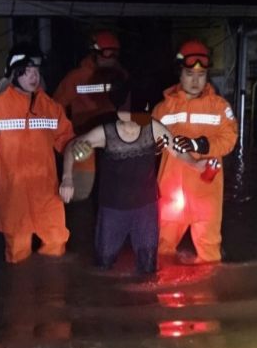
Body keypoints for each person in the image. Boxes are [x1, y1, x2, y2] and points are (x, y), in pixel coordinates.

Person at [59, 72, 199, 274]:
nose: (133, 122)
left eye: (139, 116)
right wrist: (67, 178)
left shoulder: (154, 128)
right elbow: (72, 147)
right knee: (103, 268)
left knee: (148, 268)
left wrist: (197, 165)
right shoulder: (105, 132)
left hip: (146, 209)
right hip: (112, 210)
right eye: (127, 116)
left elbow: (177, 151)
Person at [0, 42, 74, 263]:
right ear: (13, 73)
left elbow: (69, 142)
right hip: (14, 195)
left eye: (36, 71)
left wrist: (72, 173)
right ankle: (20, 293)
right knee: (18, 254)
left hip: (48, 192)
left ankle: (53, 295)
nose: (34, 77)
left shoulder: (51, 108)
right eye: (27, 72)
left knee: (56, 243)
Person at [152, 39, 238, 264]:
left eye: (201, 75)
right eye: (189, 74)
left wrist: (200, 145)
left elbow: (229, 139)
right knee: (162, 249)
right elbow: (151, 145)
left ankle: (208, 295)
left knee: (209, 253)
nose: (195, 80)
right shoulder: (162, 109)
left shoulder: (220, 107)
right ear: (179, 73)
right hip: (170, 192)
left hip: (206, 192)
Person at [53, 30, 128, 201]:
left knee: (112, 193)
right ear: (94, 53)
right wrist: (66, 137)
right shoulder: (77, 77)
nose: (109, 59)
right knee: (81, 193)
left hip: (113, 140)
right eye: (106, 54)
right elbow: (56, 107)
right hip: (84, 138)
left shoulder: (121, 76)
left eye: (114, 55)